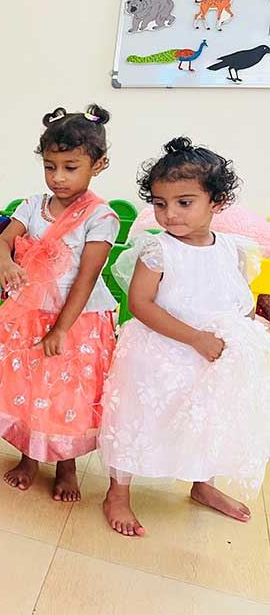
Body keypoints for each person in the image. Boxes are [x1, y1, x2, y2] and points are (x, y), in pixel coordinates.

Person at [100, 138, 270, 536]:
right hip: (157, 355)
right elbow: (140, 303)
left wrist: (246, 328)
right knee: (138, 420)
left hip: (207, 358)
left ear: (217, 202)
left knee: (204, 421)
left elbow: (234, 299)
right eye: (161, 204)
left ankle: (202, 484)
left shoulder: (233, 250)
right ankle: (118, 493)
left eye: (184, 202)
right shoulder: (157, 250)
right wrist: (194, 338)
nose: (170, 214)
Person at [0, 105, 119, 502]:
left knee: (67, 393)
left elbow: (86, 278)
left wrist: (61, 329)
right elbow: (0, 243)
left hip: (76, 321)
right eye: (50, 166)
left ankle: (66, 466)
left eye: (70, 167)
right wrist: (7, 263)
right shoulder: (32, 206)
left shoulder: (101, 217)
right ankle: (29, 456)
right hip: (29, 315)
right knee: (30, 385)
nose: (58, 177)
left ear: (98, 164)